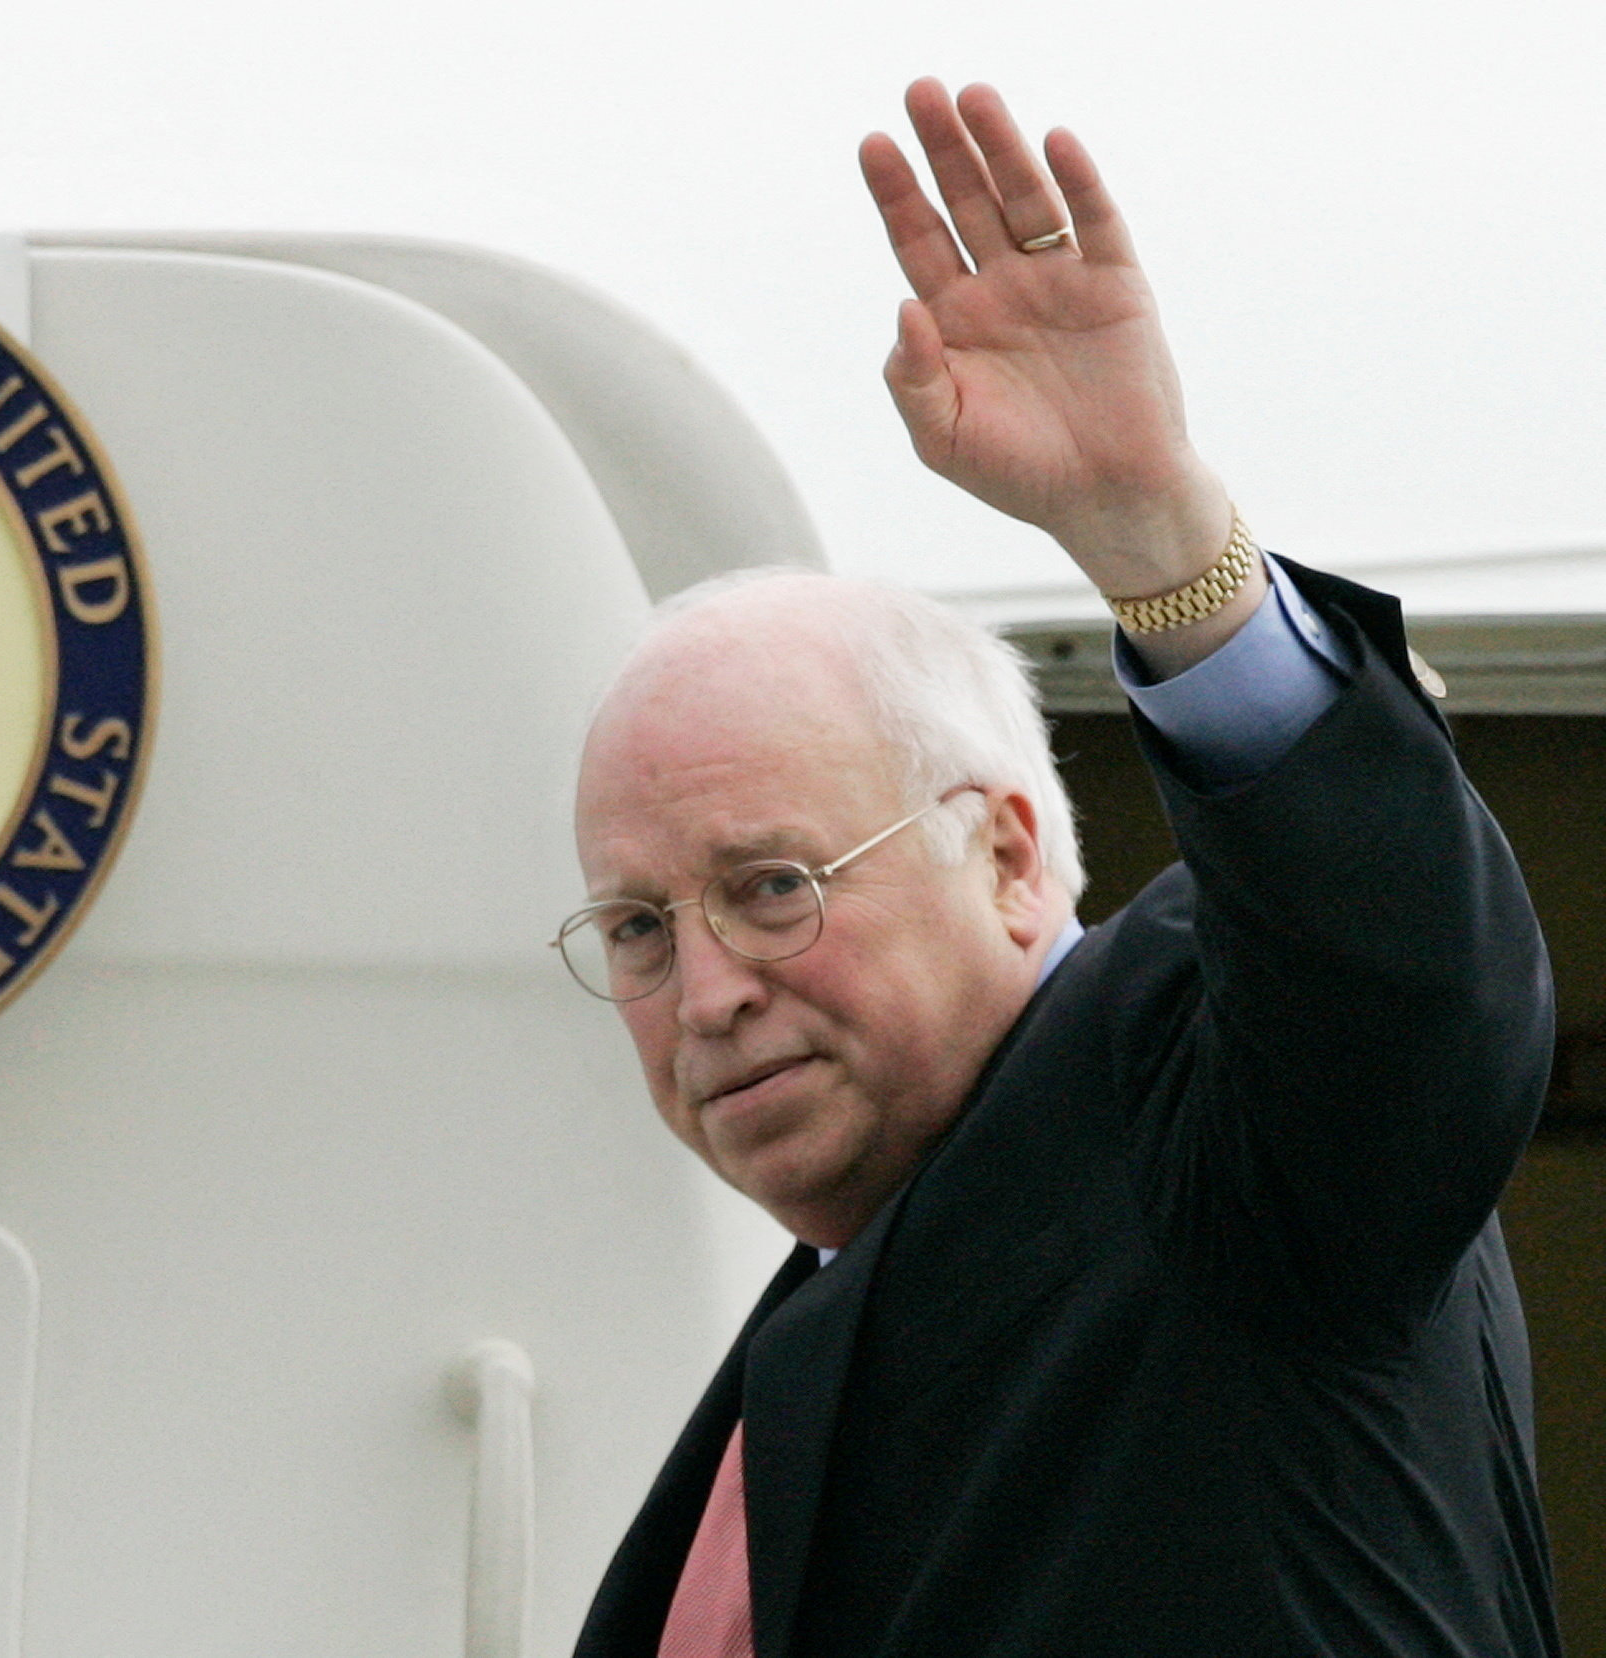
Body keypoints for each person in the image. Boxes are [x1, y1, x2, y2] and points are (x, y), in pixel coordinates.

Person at [563, 80, 1560, 1657]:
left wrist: (1162, 540)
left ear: (1011, 857)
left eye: (771, 887)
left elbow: (1401, 989)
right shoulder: (793, 1351)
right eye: (636, 925)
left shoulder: (1209, 1111)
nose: (707, 996)